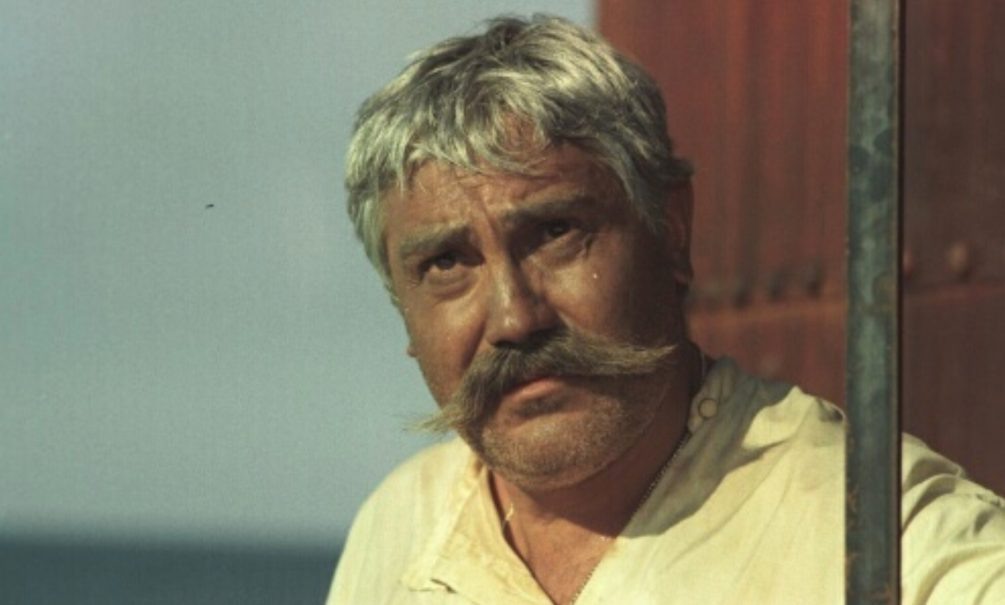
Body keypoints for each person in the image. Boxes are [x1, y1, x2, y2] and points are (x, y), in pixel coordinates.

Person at [327, 15, 1005, 605]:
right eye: (447, 264)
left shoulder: (890, 539)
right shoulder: (401, 527)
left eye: (556, 232)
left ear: (671, 228)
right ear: (400, 303)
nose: (514, 318)